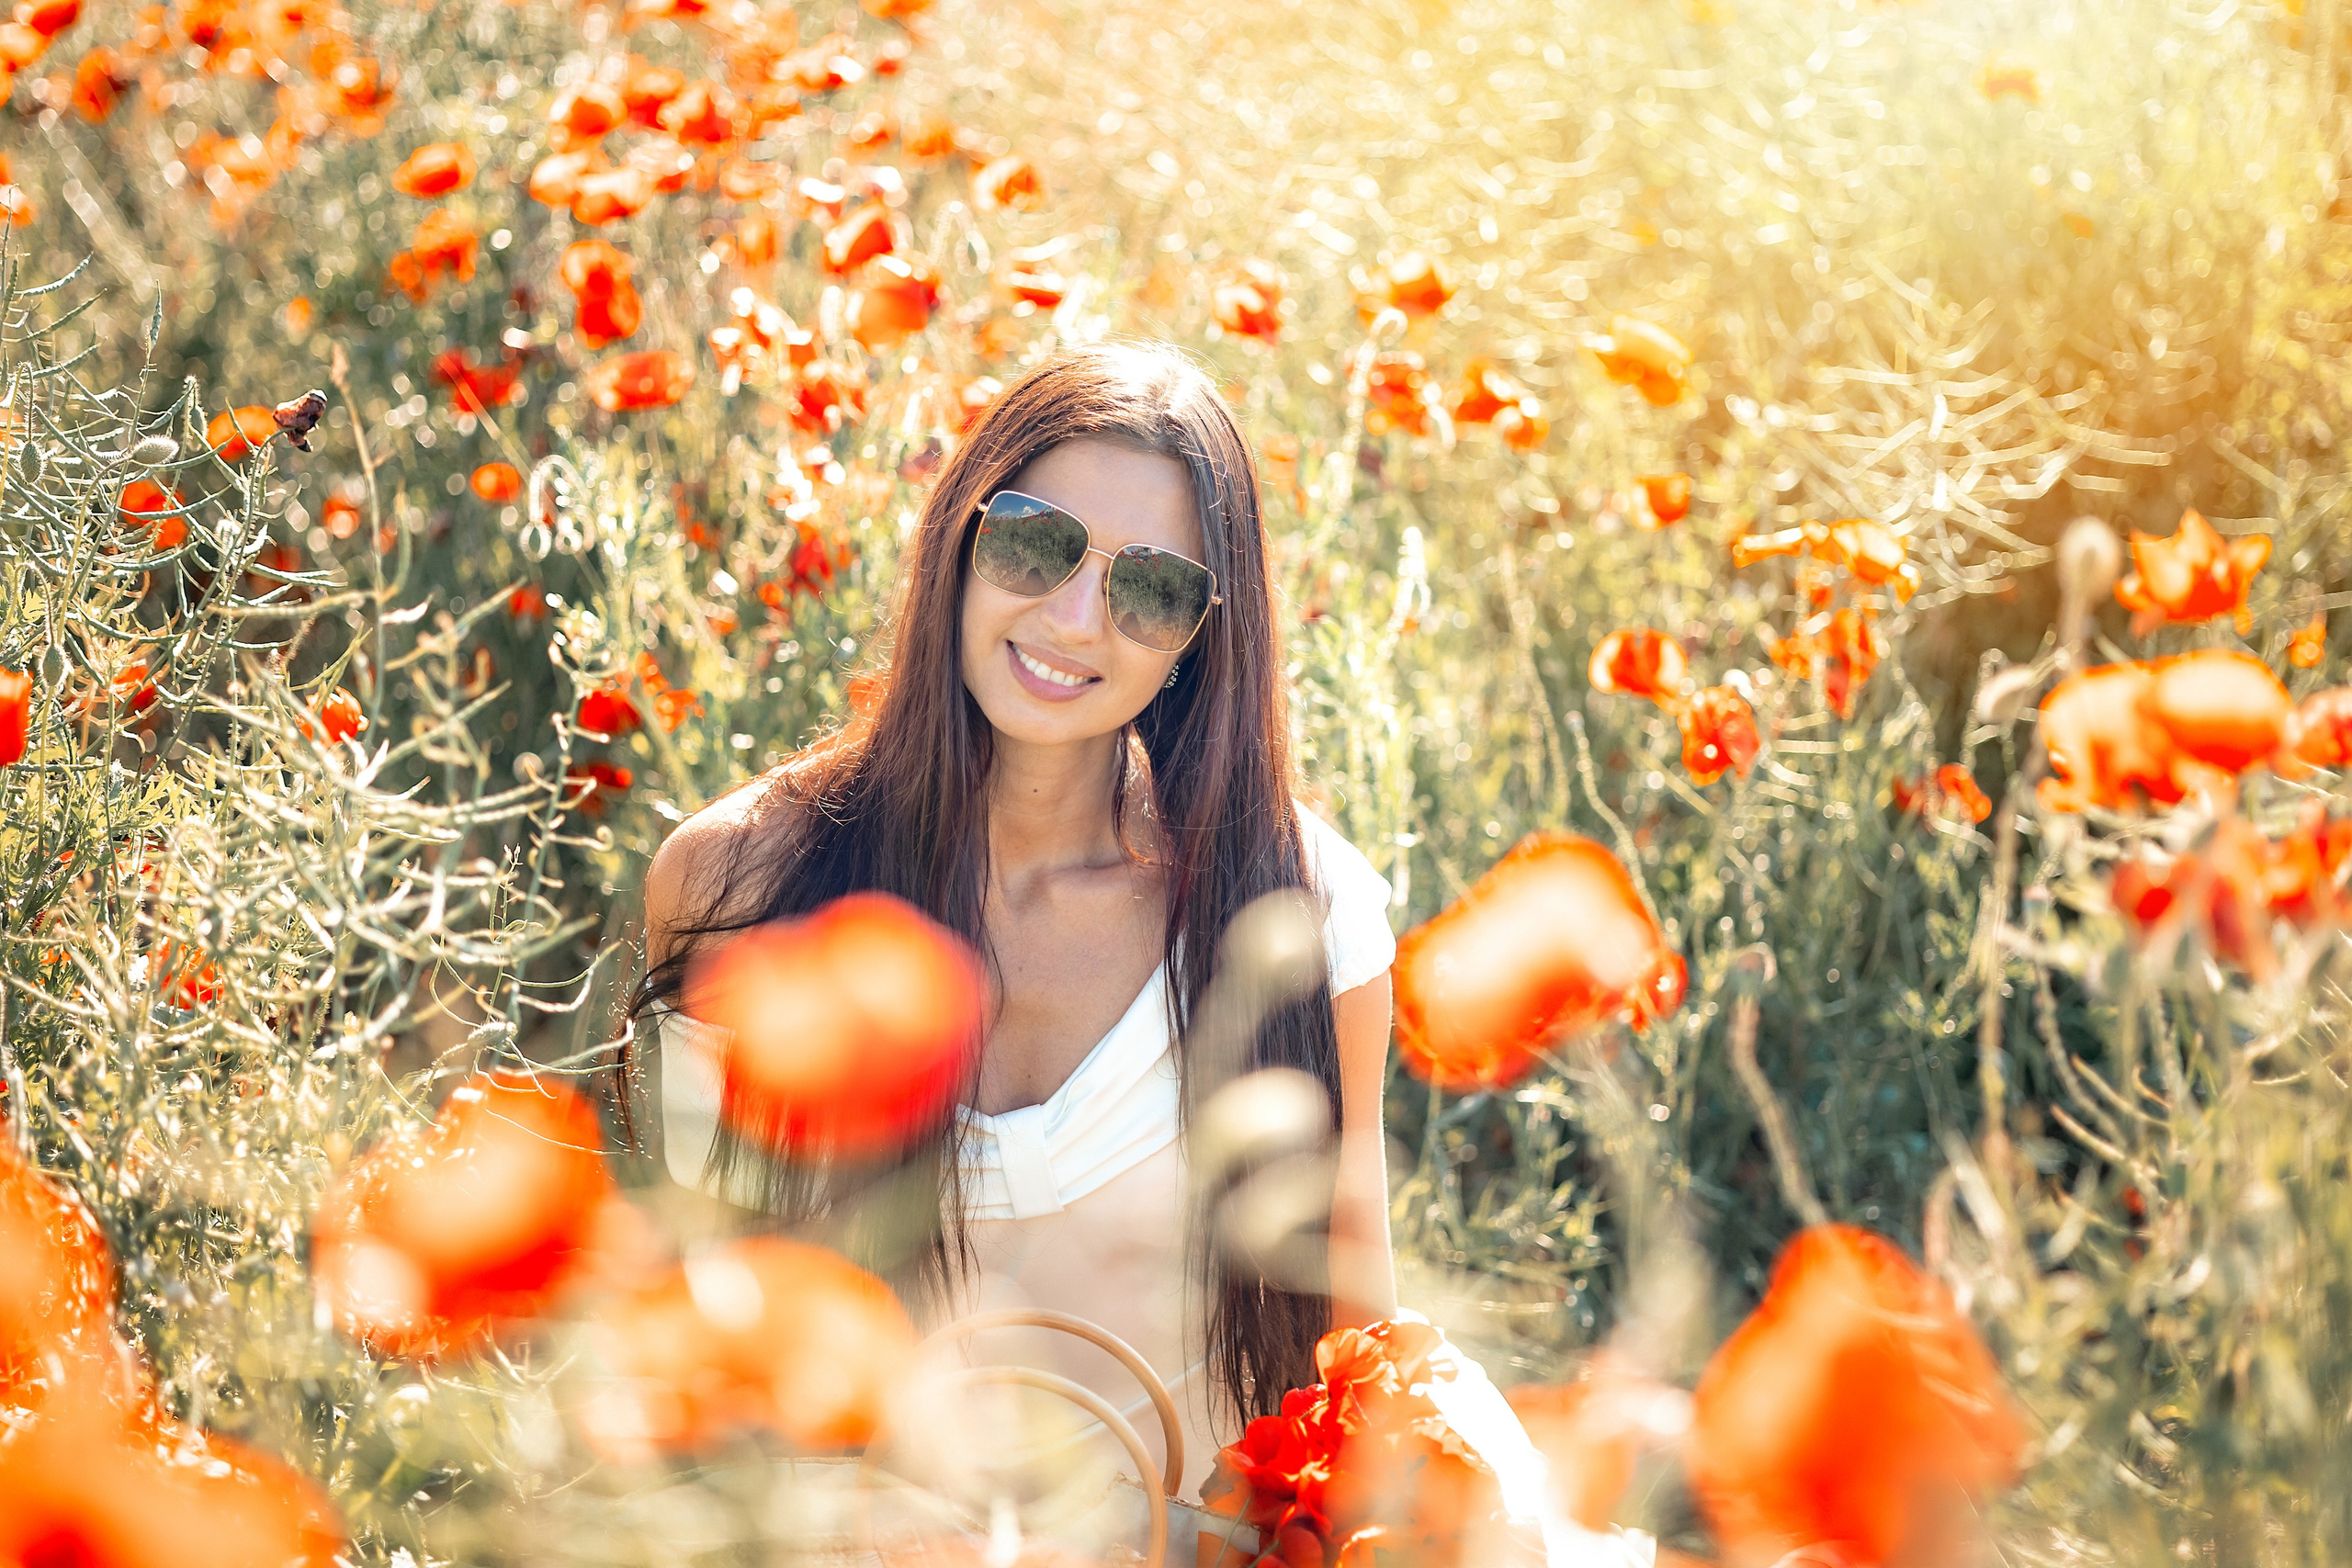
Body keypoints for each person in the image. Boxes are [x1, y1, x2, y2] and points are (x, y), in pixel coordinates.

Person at [629, 344, 1628, 1567]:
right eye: (1035, 545)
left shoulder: (1299, 914)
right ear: (962, 531)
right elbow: (695, 1320)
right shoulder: (736, 886)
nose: (1071, 620)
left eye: (1148, 590)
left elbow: (1350, 1364)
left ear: (1202, 635)